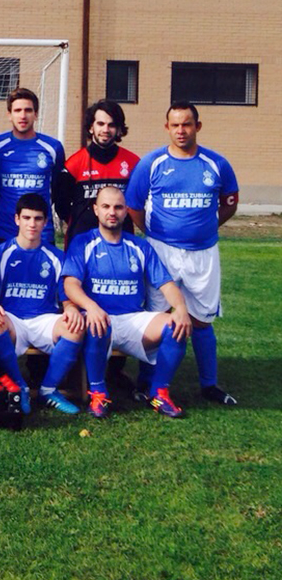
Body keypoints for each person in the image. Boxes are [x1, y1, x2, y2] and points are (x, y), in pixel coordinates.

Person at [125, 102, 239, 405]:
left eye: (187, 124)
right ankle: (148, 383)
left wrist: (207, 227)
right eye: (175, 125)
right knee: (161, 317)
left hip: (203, 253)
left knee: (201, 319)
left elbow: (230, 201)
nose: (181, 130)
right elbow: (134, 206)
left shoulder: (216, 164)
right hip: (162, 251)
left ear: (197, 127)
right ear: (167, 127)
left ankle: (209, 384)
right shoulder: (151, 163)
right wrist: (154, 234)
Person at [62, 186, 193, 419]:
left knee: (176, 326)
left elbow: (166, 284)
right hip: (98, 317)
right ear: (95, 210)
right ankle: (98, 392)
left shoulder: (139, 246)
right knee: (98, 322)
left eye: (118, 207)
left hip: (133, 318)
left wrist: (181, 308)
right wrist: (91, 307)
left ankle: (159, 392)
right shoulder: (82, 242)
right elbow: (70, 284)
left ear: (125, 212)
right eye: (106, 206)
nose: (112, 212)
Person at [0, 193, 85, 416]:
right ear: (16, 219)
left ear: (45, 222)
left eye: (38, 219)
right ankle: (21, 387)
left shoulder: (56, 257)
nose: (32, 224)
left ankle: (48, 390)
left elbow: (66, 298)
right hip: (13, 319)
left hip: (44, 318)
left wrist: (72, 309)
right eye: (26, 218)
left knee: (76, 326)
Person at [55, 99, 140, 249]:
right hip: (81, 244)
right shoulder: (73, 164)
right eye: (100, 124)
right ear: (91, 127)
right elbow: (61, 206)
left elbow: (139, 203)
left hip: (121, 244)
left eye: (111, 125)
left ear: (119, 129)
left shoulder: (133, 163)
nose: (105, 130)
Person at [0, 87, 65, 246]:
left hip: (41, 234)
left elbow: (56, 189)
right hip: (3, 232)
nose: (23, 116)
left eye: (28, 110)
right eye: (17, 110)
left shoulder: (52, 148)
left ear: (36, 114)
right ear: (9, 115)